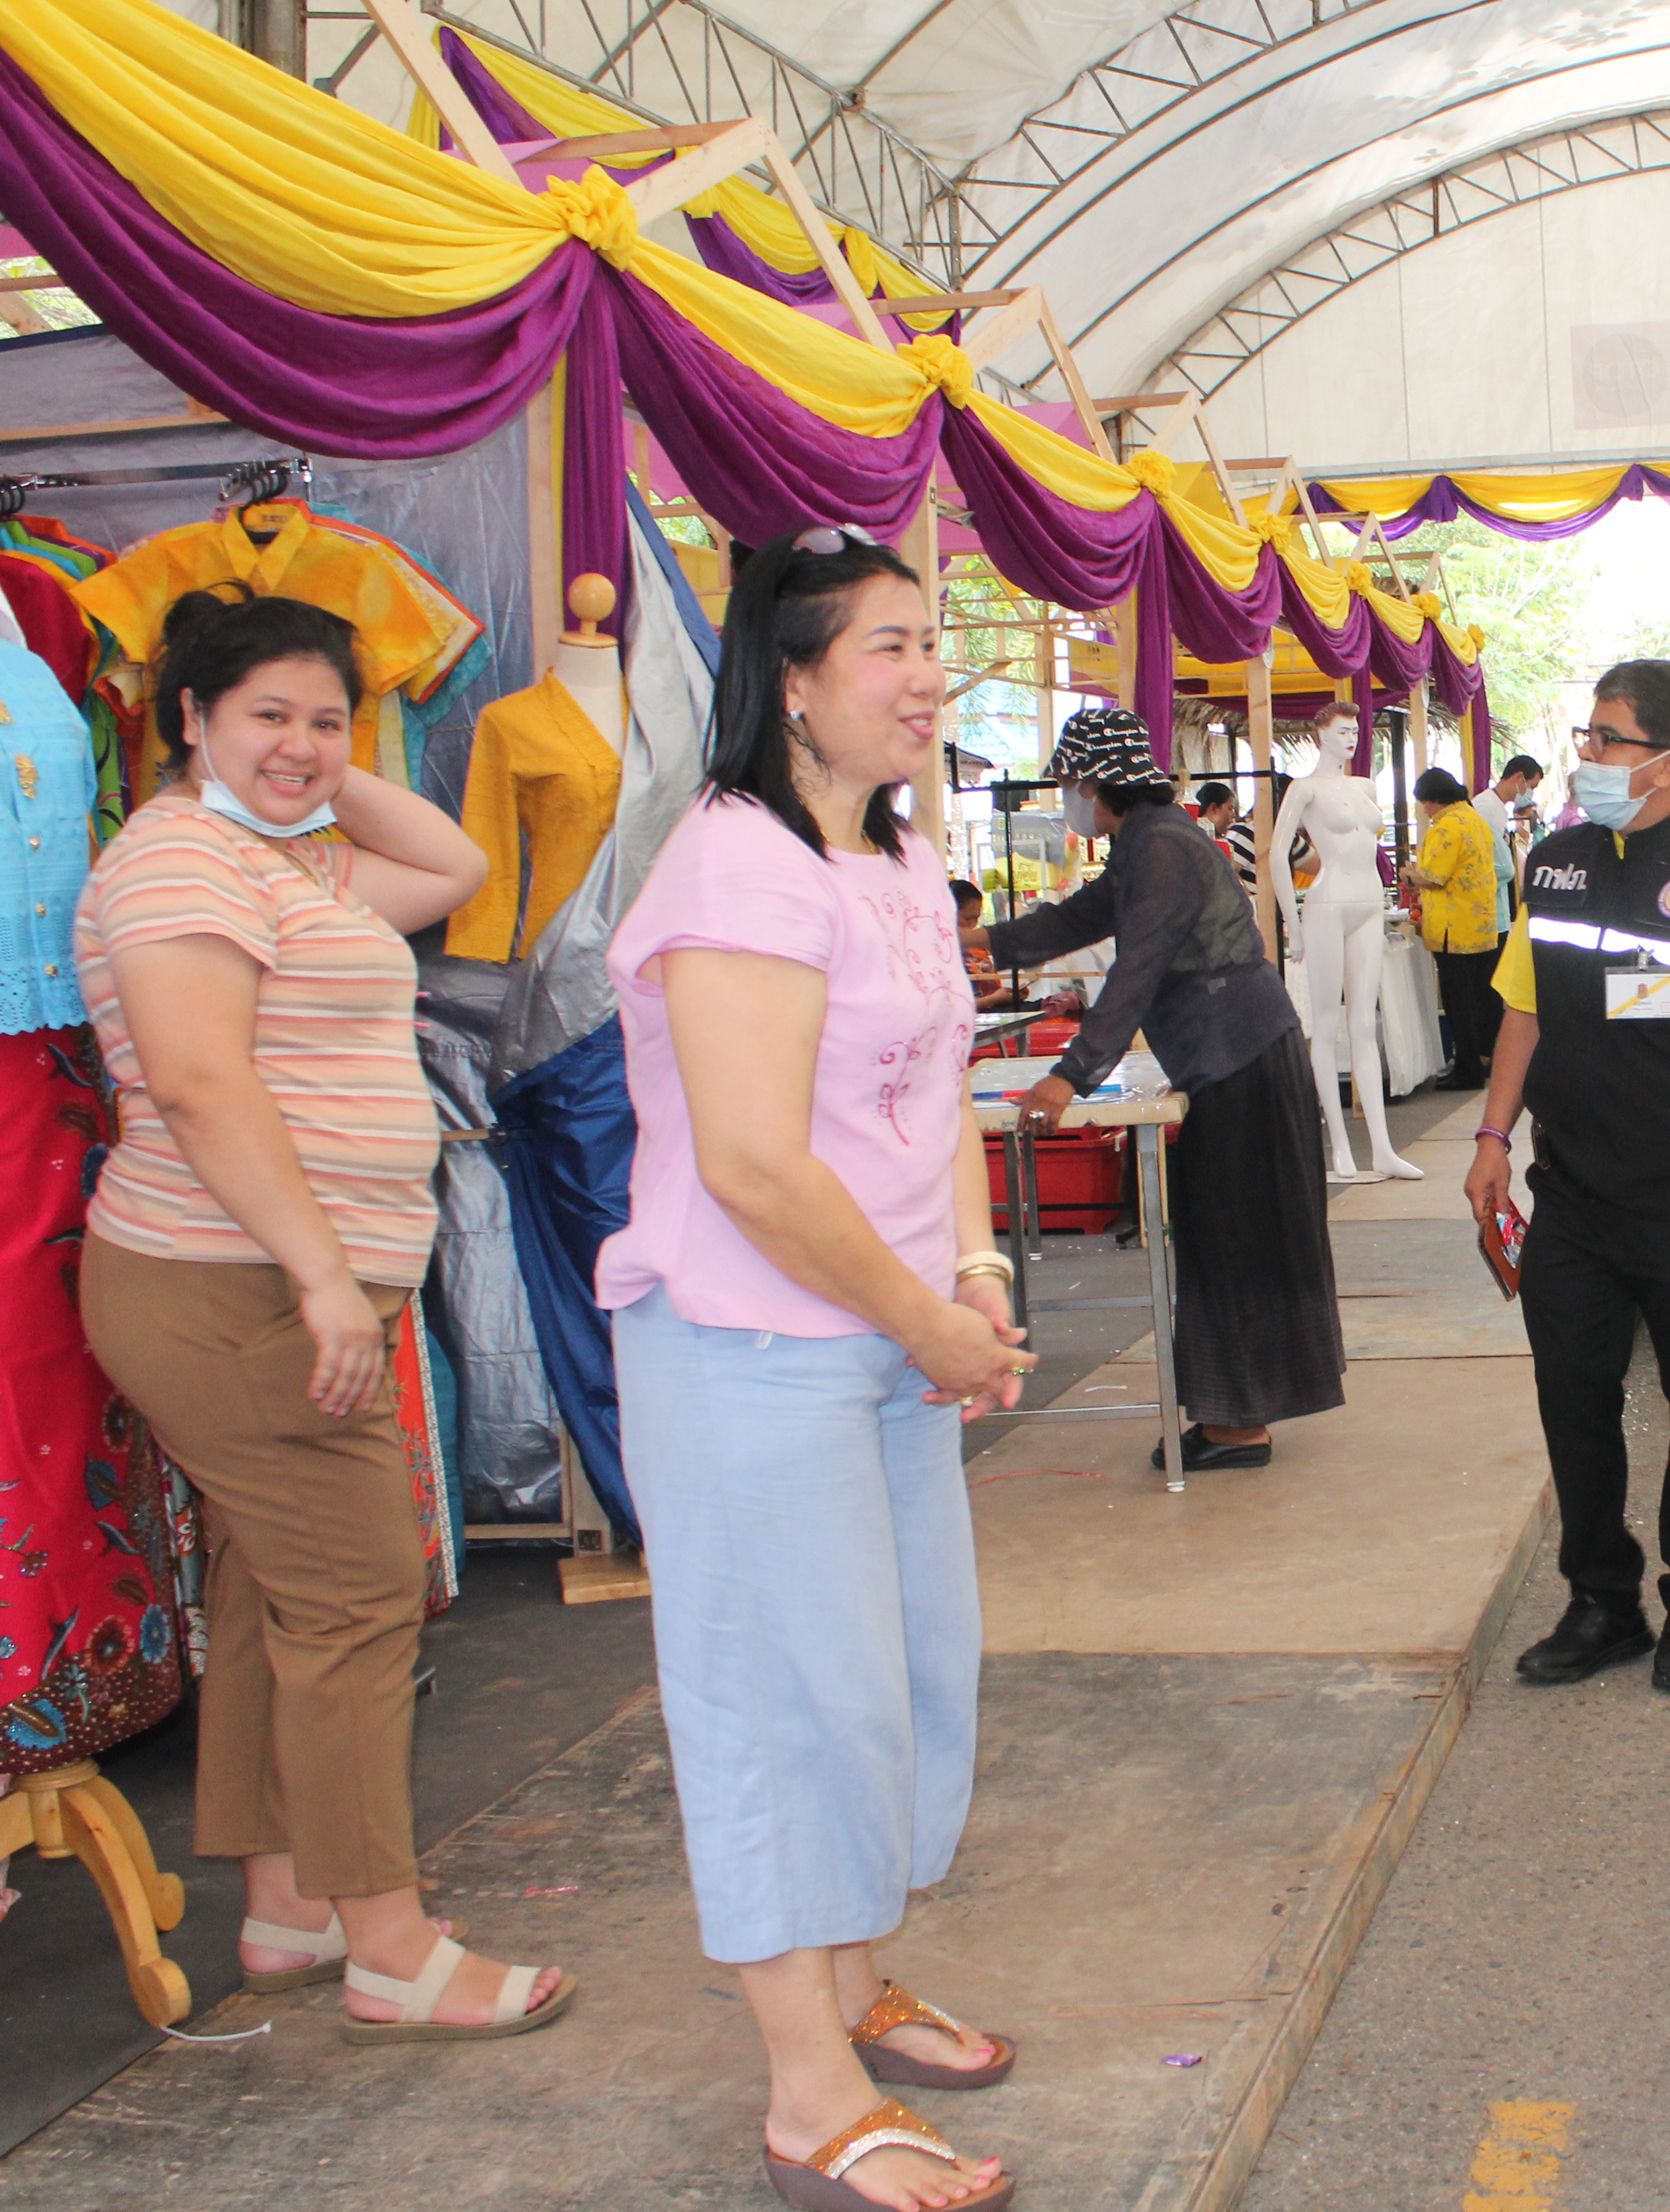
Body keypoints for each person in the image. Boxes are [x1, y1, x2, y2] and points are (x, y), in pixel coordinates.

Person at [73, 589, 569, 2044]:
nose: (300, 746)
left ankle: (287, 1903)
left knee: (277, 1600)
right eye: (262, 715)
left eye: (325, 718)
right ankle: (390, 1946)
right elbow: (198, 1082)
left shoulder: (271, 857)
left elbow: (455, 860)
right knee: (358, 1601)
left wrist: (301, 754)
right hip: (240, 1283)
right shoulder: (177, 864)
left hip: (283, 1280)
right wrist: (312, 1276)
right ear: (185, 720)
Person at [600, 528, 1028, 2212]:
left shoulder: (900, 852)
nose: (928, 674)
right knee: (781, 1699)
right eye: (889, 648)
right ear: (790, 679)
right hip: (749, 1346)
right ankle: (803, 2083)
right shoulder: (733, 867)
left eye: (933, 644)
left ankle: (855, 1979)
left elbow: (938, 1100)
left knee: (900, 1682)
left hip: (887, 1340)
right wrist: (926, 1321)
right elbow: (758, 1168)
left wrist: (972, 1277)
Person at [1463, 660, 1670, 1694]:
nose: (1587, 755)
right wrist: (1489, 1138)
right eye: (1588, 735)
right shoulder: (1555, 863)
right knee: (1574, 1400)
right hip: (1573, 1197)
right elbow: (1526, 1007)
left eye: (1606, 739)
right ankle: (1602, 1600)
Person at [975, 707, 1345, 1472]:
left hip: (1238, 1055)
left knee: (1236, 1241)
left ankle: (1239, 1425)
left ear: (1096, 779)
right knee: (1225, 1238)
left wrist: (1067, 1075)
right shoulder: (1148, 841)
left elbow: (1135, 972)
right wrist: (979, 940)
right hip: (1232, 1054)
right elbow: (1083, 918)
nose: (1068, 795)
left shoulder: (1164, 847)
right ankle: (1235, 1416)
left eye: (1070, 781)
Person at [1408, 765, 1503, 1089]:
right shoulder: (1475, 820)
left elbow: (1434, 876)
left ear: (1436, 798)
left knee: (1458, 1003)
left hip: (1453, 928)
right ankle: (1484, 1058)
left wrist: (1410, 873)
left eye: (1425, 802)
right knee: (1481, 999)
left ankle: (1467, 1070)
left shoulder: (1447, 826)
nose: (1424, 809)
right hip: (1480, 924)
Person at [1476, 752, 1544, 936]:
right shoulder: (1485, 807)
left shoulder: (1498, 807)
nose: (1529, 793)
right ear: (1519, 778)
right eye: (1531, 787)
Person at [1193, 776, 1260, 896]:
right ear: (1213, 808)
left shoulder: (1221, 839)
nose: (1233, 815)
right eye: (1230, 808)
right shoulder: (1199, 835)